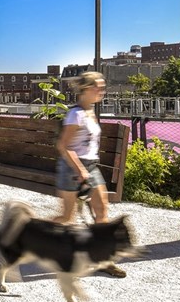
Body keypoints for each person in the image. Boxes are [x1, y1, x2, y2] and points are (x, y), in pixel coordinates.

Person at [54, 70, 126, 277]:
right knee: (68, 217)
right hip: (72, 167)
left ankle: (103, 258)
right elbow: (64, 146)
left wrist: (87, 169)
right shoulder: (75, 114)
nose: (102, 91)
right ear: (86, 89)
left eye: (103, 87)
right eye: (98, 87)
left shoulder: (90, 112)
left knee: (102, 211)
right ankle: (33, 233)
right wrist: (80, 170)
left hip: (91, 166)